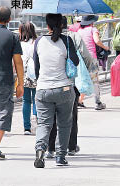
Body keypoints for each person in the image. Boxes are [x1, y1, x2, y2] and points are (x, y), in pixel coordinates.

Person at [45, 16, 97, 158]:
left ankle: (50, 148)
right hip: (70, 81)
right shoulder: (73, 37)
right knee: (70, 116)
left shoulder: (43, 39)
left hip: (48, 82)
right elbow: (85, 57)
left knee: (50, 116)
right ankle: (71, 146)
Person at [33, 13, 79, 168]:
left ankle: (40, 150)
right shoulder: (67, 40)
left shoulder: (39, 41)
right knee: (64, 123)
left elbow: (37, 67)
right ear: (62, 25)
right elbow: (76, 62)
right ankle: (60, 156)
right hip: (64, 88)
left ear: (47, 25)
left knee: (44, 124)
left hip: (43, 89)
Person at [0, 6, 24, 160]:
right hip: (4, 81)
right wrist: (20, 83)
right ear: (9, 20)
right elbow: (18, 62)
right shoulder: (12, 37)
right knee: (2, 113)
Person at [77, 15, 108, 110]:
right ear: (91, 22)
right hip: (91, 58)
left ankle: (79, 101)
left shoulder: (79, 31)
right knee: (95, 80)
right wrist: (105, 47)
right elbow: (97, 41)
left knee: (83, 78)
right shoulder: (93, 29)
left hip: (81, 58)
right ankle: (98, 102)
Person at [19, 22, 38, 135]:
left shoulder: (20, 44)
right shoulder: (36, 42)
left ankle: (27, 127)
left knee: (26, 101)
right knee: (36, 99)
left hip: (24, 74)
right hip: (35, 73)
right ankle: (36, 123)